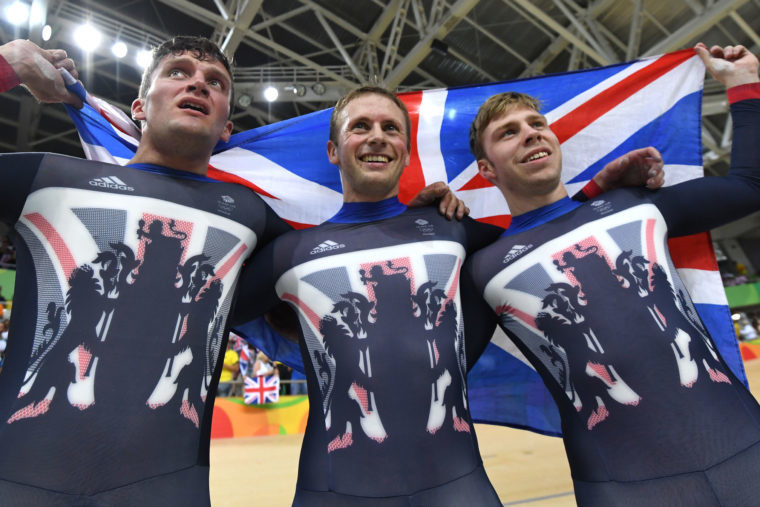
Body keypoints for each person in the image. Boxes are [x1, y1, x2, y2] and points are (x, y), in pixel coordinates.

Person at [230, 82, 665, 504]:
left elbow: (534, 241)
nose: (377, 137)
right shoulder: (292, 253)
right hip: (332, 489)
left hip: (458, 487)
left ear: (405, 149)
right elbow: (204, 310)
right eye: (360, 126)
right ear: (333, 151)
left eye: (391, 128)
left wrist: (593, 195)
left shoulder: (450, 230)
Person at [0, 36, 294, 505]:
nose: (197, 82)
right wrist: (7, 65)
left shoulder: (253, 218)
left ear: (226, 129)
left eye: (215, 82)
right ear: (138, 106)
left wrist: (446, 213)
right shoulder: (49, 178)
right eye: (178, 72)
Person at [464, 43, 760, 505]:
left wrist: (744, 83)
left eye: (537, 124)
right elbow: (431, 362)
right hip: (621, 488)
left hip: (748, 453)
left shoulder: (634, 205)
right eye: (508, 133)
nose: (530, 134)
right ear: (485, 169)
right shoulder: (483, 263)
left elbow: (750, 185)